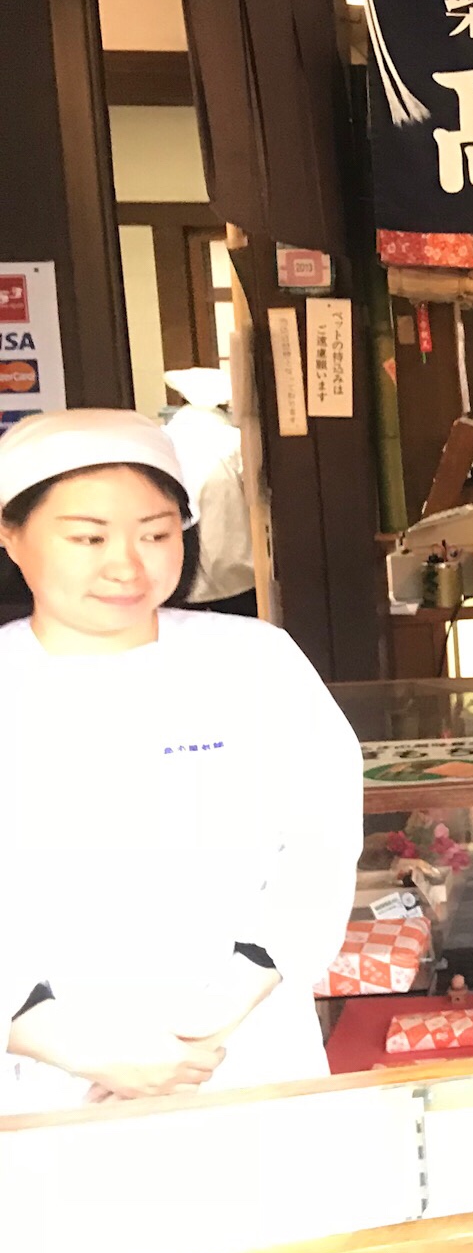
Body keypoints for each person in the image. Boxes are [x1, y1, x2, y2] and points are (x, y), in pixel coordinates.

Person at [0, 410, 360, 1114]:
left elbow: (321, 844)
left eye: (156, 534)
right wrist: (76, 1047)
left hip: (243, 1049)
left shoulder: (254, 660)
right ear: (11, 534)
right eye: (88, 537)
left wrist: (211, 1023)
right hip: (46, 1078)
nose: (127, 566)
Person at [161, 366, 258, 617]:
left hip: (179, 568)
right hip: (234, 568)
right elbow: (256, 495)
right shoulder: (235, 441)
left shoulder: (163, 439)